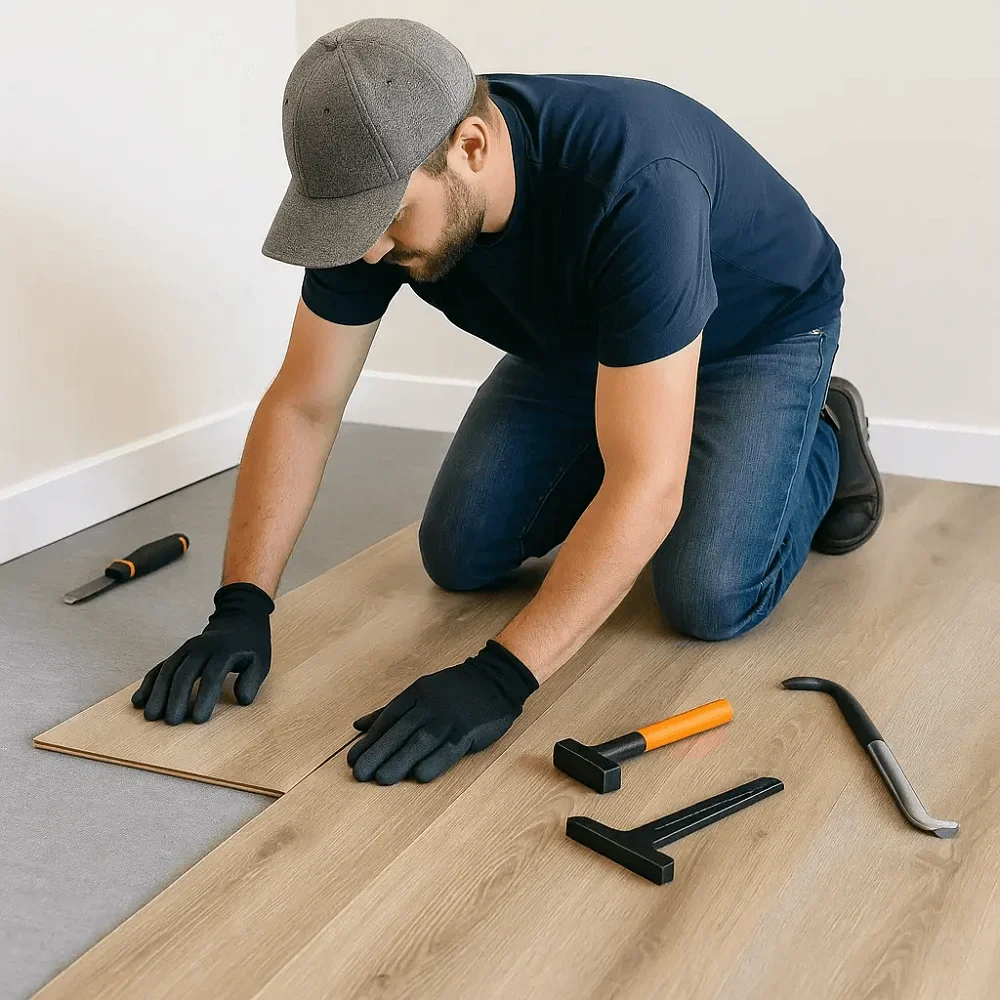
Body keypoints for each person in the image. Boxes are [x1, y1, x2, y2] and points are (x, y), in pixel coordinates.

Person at [131, 18, 883, 786]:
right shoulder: (379, 192)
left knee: (708, 597)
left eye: (387, 219)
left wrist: (503, 675)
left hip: (754, 333)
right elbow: (304, 402)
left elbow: (648, 484)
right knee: (459, 553)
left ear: (473, 147)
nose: (368, 252)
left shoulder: (636, 179)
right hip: (584, 342)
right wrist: (241, 600)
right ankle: (631, 414)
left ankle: (824, 430)